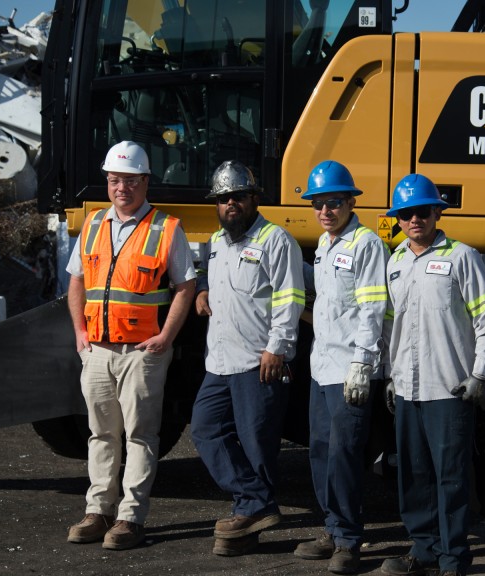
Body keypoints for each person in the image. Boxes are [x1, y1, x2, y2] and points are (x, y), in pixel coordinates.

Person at [65, 140, 197, 550]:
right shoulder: (93, 225)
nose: (122, 188)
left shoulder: (166, 228)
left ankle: (130, 517)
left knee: (140, 435)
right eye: (115, 180)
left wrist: (166, 336)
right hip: (99, 350)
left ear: (144, 182)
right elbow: (76, 282)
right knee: (101, 433)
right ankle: (98, 509)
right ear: (108, 181)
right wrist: (80, 333)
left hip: (143, 352)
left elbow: (186, 286)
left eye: (131, 181)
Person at [380, 174, 485, 576]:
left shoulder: (461, 256)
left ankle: (453, 559)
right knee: (413, 474)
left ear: (436, 212)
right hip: (407, 388)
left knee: (451, 477)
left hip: (449, 387)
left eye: (422, 211)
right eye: (405, 214)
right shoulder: (395, 262)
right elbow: (390, 326)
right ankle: (424, 549)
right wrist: (389, 376)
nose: (414, 219)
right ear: (397, 219)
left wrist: (480, 373)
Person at [190, 160, 306, 557]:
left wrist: (278, 347)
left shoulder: (276, 240)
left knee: (257, 443)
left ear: (255, 198)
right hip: (219, 362)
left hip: (259, 360)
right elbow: (211, 275)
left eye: (238, 196)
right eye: (223, 199)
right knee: (205, 429)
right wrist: (203, 289)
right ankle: (255, 502)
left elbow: (291, 298)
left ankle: (247, 520)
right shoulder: (217, 242)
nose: (230, 204)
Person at [293, 161, 389, 575]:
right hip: (322, 367)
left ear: (351, 202)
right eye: (318, 204)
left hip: (351, 368)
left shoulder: (365, 244)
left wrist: (361, 364)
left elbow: (373, 309)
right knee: (320, 451)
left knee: (346, 453)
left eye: (333, 202)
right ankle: (331, 528)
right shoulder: (325, 243)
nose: (325, 211)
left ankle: (349, 539)